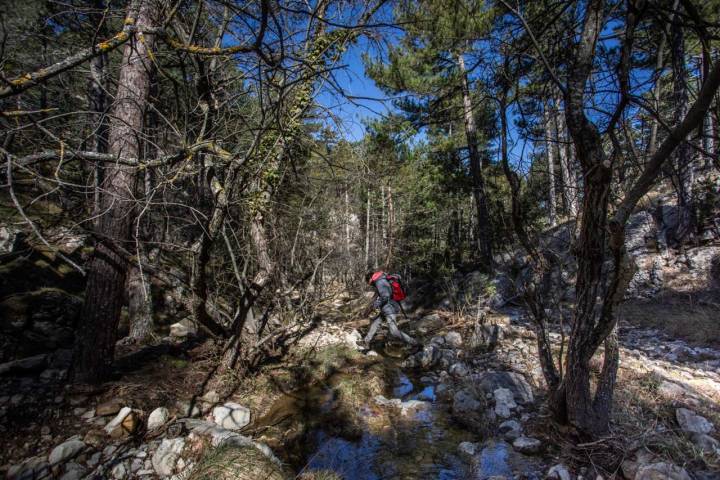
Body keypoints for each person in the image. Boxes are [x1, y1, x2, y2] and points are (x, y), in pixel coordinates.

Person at [359, 269, 418, 349]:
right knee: (375, 323)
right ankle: (366, 341)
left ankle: (414, 343)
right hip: (387, 308)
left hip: (390, 309)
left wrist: (376, 305)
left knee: (394, 332)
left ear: (370, 279)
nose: (369, 284)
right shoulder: (381, 280)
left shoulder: (379, 282)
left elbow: (385, 296)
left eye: (368, 282)